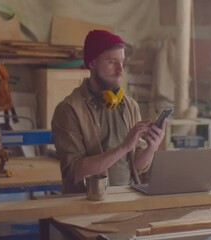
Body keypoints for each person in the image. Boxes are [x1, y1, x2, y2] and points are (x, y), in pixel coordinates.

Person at [51, 30, 166, 193]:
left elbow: (136, 167)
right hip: (88, 202)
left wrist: (151, 148)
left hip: (126, 200)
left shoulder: (130, 105)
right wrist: (124, 147)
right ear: (92, 63)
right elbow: (75, 172)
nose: (120, 70)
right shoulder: (69, 110)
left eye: (122, 62)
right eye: (112, 61)